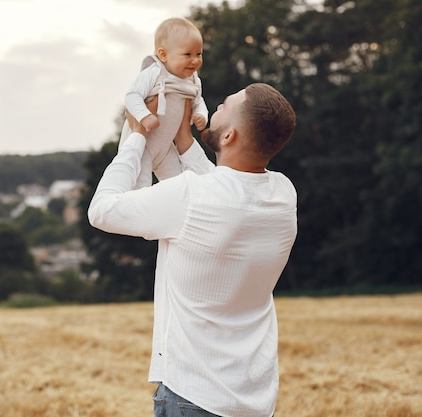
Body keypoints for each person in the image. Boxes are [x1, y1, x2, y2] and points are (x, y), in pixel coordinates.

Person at [88, 83, 297, 417]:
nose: (214, 107)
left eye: (224, 108)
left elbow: (101, 210)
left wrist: (136, 137)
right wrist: (184, 142)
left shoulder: (192, 196)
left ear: (229, 136)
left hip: (192, 397)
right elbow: (225, 188)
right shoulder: (283, 194)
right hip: (254, 400)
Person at [120, 17, 209, 189]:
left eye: (199, 54)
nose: (195, 60)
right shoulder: (155, 72)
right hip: (143, 144)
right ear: (163, 55)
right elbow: (132, 96)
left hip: (166, 147)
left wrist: (201, 115)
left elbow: (199, 101)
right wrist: (145, 116)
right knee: (140, 187)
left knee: (178, 186)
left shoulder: (193, 80)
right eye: (187, 54)